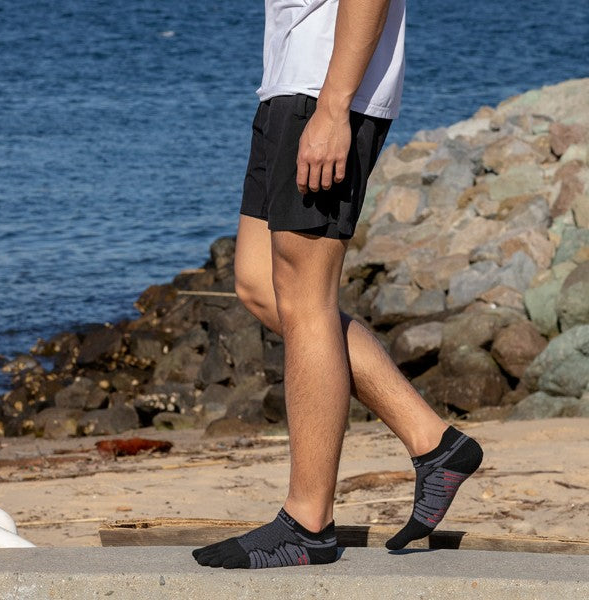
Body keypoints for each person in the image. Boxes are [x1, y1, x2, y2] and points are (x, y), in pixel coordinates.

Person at [193, 0, 483, 569]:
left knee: (307, 300)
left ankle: (308, 522)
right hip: (287, 84)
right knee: (258, 284)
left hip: (323, 92)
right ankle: (434, 442)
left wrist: (333, 108)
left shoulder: (327, 101)